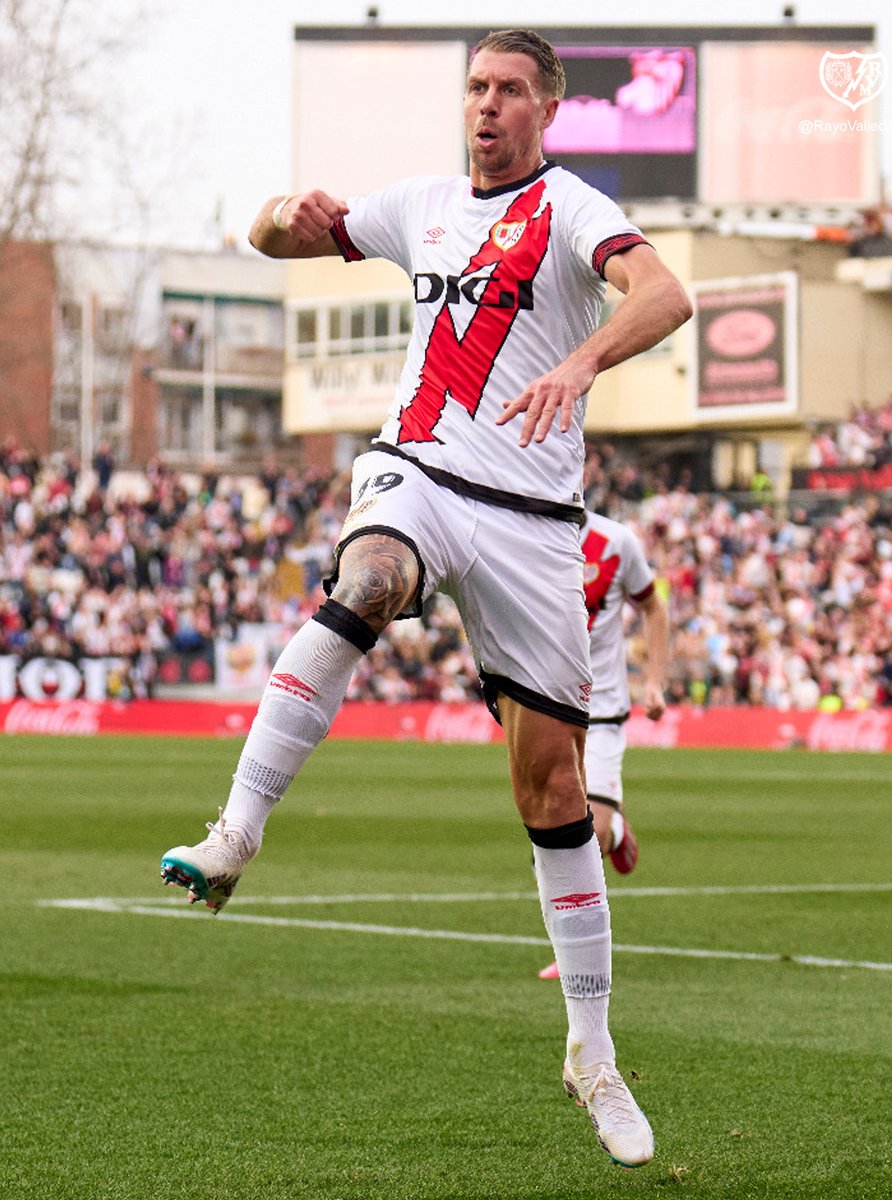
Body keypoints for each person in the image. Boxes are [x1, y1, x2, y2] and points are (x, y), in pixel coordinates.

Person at [159, 28, 691, 1170]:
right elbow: (272, 239)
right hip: (419, 473)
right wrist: (276, 217)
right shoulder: (420, 206)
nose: (487, 105)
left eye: (509, 90)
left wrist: (582, 361)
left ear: (547, 108)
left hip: (533, 521)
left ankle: (591, 1054)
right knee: (370, 574)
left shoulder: (573, 212)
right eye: (475, 88)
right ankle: (236, 832)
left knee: (550, 785)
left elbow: (666, 295)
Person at [538, 509, 669, 981]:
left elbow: (653, 607)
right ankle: (615, 834)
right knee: (550, 830)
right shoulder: (520, 535)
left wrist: (653, 683)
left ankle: (573, 948)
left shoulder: (615, 542)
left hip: (605, 708)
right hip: (543, 705)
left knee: (584, 834)